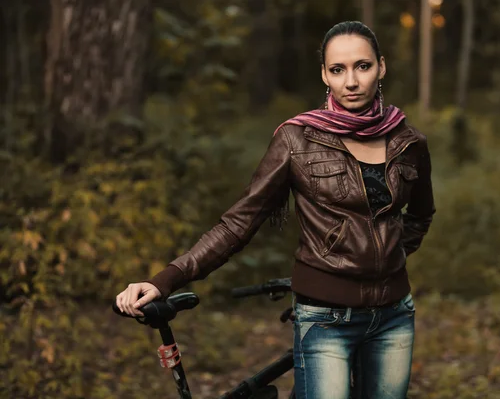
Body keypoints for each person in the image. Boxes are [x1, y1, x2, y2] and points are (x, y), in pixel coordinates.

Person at [116, 20, 435, 399]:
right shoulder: (296, 139)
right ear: (325, 75)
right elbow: (239, 223)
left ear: (381, 67)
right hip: (325, 318)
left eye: (362, 66)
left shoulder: (408, 141)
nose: (351, 81)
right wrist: (163, 280)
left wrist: (387, 256)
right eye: (338, 69)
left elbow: (420, 215)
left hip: (394, 315)